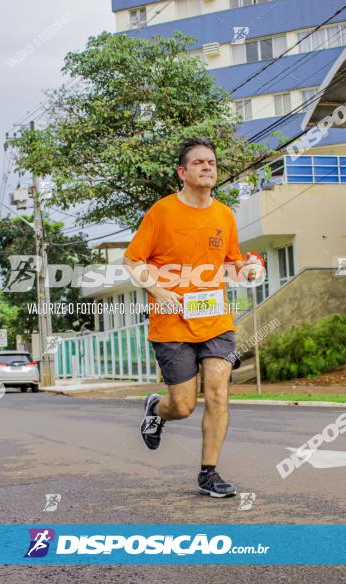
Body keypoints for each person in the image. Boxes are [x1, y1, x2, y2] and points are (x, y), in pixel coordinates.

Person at [123, 137, 260, 498]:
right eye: (198, 162)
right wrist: (158, 290)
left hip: (215, 320)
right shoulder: (162, 212)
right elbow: (132, 261)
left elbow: (233, 261)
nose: (207, 167)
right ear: (182, 172)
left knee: (217, 394)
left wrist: (245, 270)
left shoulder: (224, 215)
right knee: (183, 406)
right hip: (171, 323)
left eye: (211, 162)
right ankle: (157, 408)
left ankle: (208, 474)